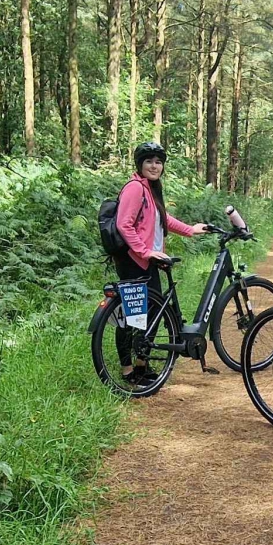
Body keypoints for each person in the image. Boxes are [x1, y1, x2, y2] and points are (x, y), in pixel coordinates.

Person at [113, 142, 211, 381]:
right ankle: (127, 370)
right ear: (140, 165)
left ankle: (141, 365)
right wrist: (145, 251)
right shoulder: (135, 188)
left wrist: (190, 229)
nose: (154, 166)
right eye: (149, 161)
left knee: (153, 313)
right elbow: (124, 224)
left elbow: (162, 219)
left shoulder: (151, 189)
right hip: (134, 261)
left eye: (158, 162)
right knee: (132, 317)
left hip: (148, 261)